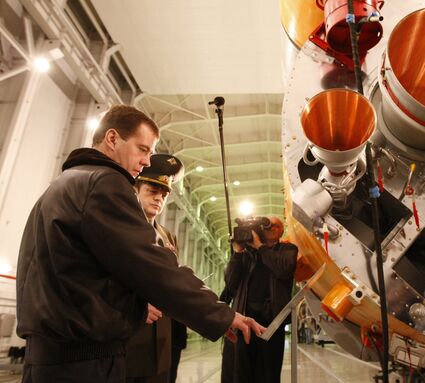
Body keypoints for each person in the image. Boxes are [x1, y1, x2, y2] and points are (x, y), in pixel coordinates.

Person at [16, 105, 264, 383]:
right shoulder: (105, 183)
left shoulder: (63, 184)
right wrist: (222, 315)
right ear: (112, 139)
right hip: (84, 361)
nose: (147, 161)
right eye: (143, 149)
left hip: (48, 356)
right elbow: (153, 267)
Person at [126, 154, 186, 383]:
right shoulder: (121, 226)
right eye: (152, 191)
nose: (159, 199)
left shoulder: (167, 235)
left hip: (161, 339)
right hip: (130, 335)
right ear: (136, 191)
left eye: (163, 194)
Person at [220, 216, 298, 383]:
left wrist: (261, 247)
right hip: (244, 319)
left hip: (271, 322)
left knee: (267, 373)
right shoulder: (247, 254)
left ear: (281, 231)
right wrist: (238, 253)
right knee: (240, 372)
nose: (271, 228)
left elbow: (283, 269)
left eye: (275, 226)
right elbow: (231, 282)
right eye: (267, 226)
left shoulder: (288, 249)